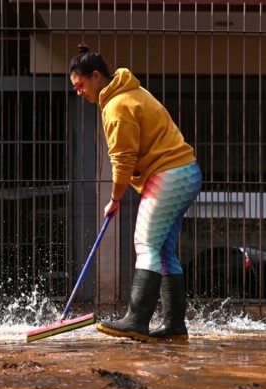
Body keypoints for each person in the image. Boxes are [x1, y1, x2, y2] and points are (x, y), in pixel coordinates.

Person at [68, 44, 202, 343]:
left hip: (170, 173)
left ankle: (137, 320)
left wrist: (115, 199)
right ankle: (174, 327)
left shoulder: (117, 107)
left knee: (145, 243)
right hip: (182, 172)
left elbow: (123, 161)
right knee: (163, 251)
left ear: (95, 77)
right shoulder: (130, 93)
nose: (79, 92)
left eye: (80, 86)